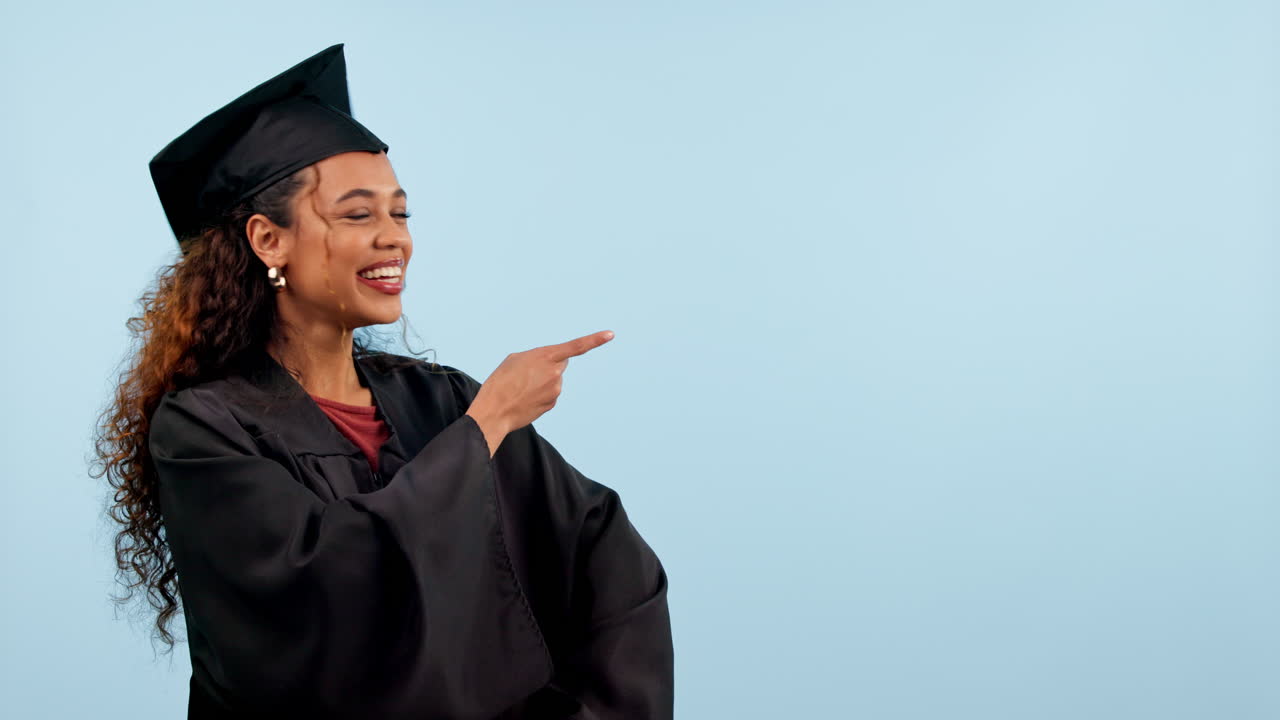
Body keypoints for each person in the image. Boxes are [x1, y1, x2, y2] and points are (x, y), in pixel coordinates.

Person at [91, 44, 673, 719]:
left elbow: (607, 562)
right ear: (267, 240)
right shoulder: (205, 428)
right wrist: (483, 432)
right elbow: (323, 601)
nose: (395, 239)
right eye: (359, 215)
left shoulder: (442, 400)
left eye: (400, 214)